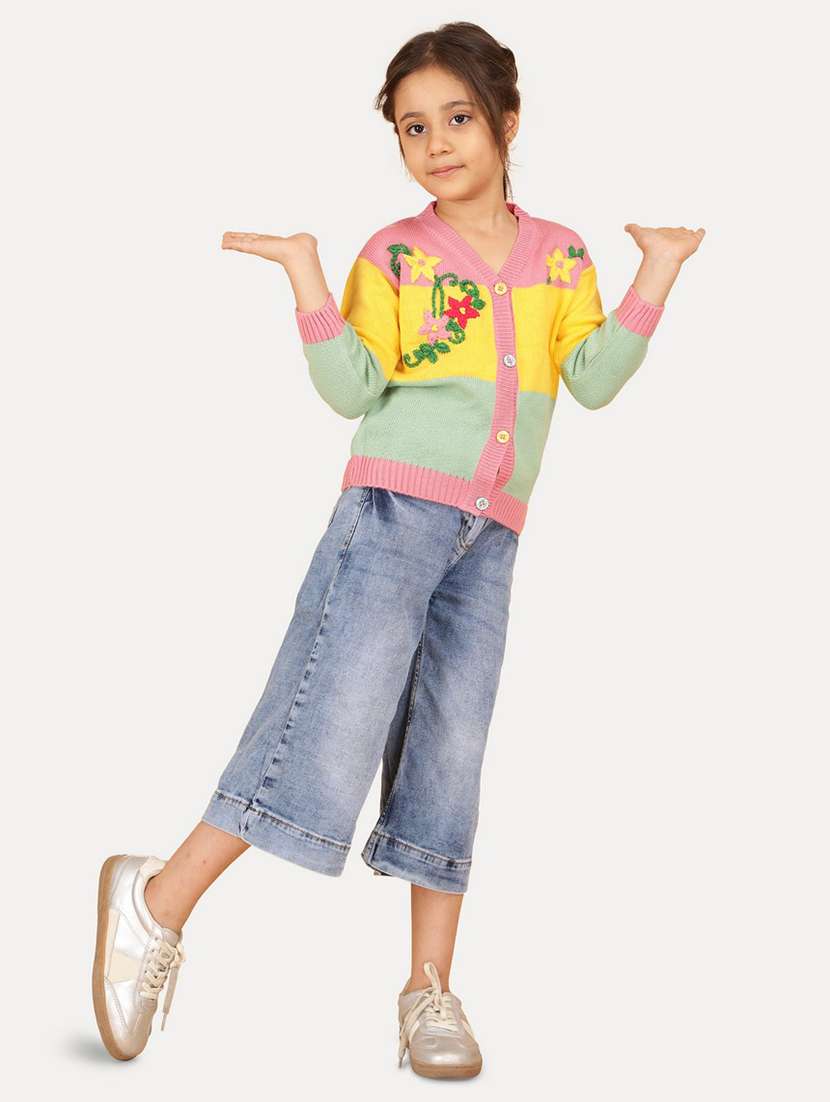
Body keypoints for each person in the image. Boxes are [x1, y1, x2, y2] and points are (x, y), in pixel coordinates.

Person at [90, 20, 705, 1079]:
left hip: (490, 537)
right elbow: (354, 391)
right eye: (413, 127)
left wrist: (656, 274)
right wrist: (306, 278)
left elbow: (594, 379)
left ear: (508, 121)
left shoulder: (561, 254)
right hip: (389, 515)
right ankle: (157, 899)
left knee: (450, 749)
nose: (436, 143)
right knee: (325, 722)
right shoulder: (395, 254)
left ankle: (428, 990)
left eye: (457, 118)